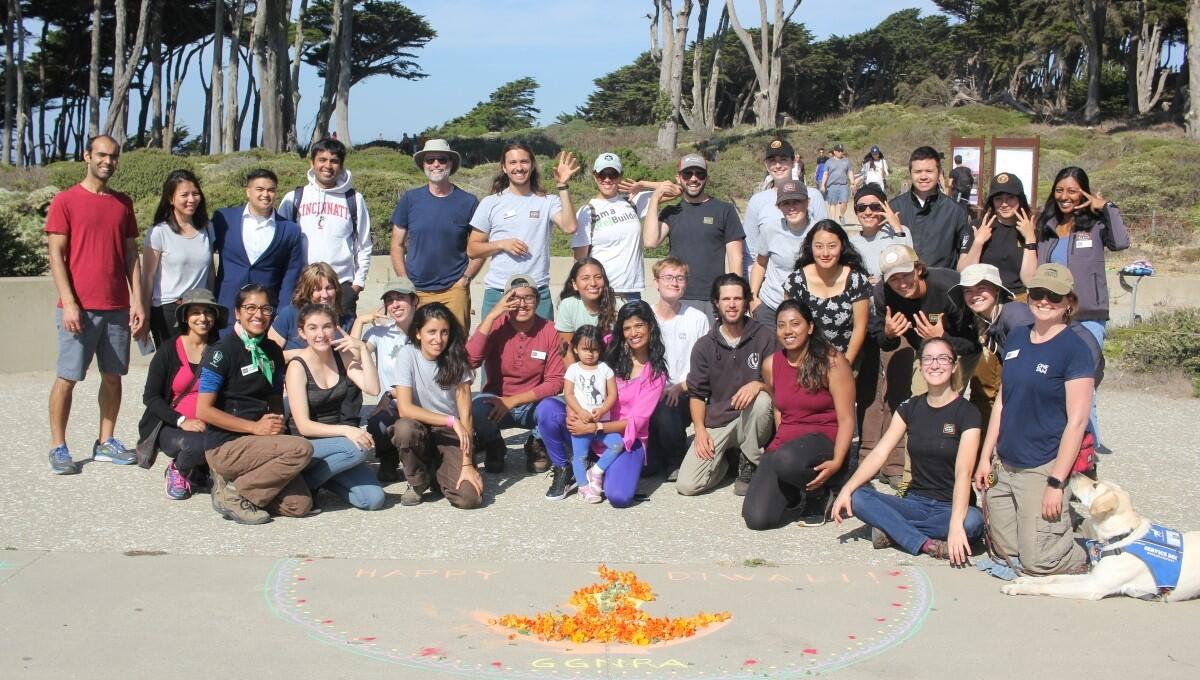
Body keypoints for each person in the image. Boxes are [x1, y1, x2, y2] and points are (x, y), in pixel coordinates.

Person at [974, 264, 1093, 577]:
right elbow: (1002, 401)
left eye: (1054, 296)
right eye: (1037, 293)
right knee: (1004, 554)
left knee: (1039, 562)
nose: (1044, 300)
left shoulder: (1075, 349)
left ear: (1069, 303)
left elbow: (1077, 422)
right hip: (1006, 460)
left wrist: (1056, 481)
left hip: (1042, 464)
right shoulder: (1016, 337)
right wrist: (986, 457)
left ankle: (1088, 551)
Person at [832, 337, 984, 564]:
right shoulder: (909, 407)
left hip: (950, 506)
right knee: (859, 497)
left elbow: (964, 472)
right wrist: (847, 488)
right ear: (920, 366)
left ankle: (893, 530)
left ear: (953, 366)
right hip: (914, 503)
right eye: (928, 359)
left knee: (973, 522)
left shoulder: (967, 413)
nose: (935, 365)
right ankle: (925, 543)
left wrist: (955, 526)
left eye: (943, 359)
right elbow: (879, 454)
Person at [45, 134, 146, 474]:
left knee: (113, 377)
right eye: (101, 155)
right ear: (87, 155)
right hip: (79, 308)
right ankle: (58, 446)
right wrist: (70, 302)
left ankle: (106, 441)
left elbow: (132, 254)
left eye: (114, 156)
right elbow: (56, 256)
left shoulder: (122, 203)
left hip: (116, 307)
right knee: (67, 378)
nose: (108, 161)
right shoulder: (65, 201)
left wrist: (138, 302)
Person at [1025, 167, 1131, 451]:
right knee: (1053, 380)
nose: (1065, 196)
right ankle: (1056, 447)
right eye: (1060, 190)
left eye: (1072, 190)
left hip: (1088, 316)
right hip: (1051, 314)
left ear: (1083, 191)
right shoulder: (1045, 227)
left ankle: (1087, 454)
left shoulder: (1095, 225)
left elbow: (1121, 242)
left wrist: (1106, 207)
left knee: (1085, 384)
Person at [862, 245, 980, 487]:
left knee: (951, 408)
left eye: (905, 274)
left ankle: (956, 471)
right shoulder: (884, 294)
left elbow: (973, 344)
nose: (901, 283)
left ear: (918, 268)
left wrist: (943, 338)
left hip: (960, 350)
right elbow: (883, 341)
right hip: (925, 350)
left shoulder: (949, 287)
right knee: (920, 405)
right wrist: (889, 333)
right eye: (893, 278)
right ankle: (911, 476)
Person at [196, 284, 314, 524]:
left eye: (265, 308)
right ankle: (233, 494)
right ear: (237, 312)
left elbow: (273, 398)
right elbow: (203, 410)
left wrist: (278, 426)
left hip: (260, 442)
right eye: (250, 308)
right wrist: (254, 428)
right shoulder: (222, 351)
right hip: (227, 444)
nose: (258, 315)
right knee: (301, 449)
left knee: (299, 505)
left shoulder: (271, 350)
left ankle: (237, 484)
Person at [742, 299, 856, 530]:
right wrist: (779, 440)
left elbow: (846, 419)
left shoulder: (833, 362)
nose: (788, 331)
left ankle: (825, 490)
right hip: (788, 447)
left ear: (810, 327)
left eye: (795, 324)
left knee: (786, 460)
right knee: (757, 519)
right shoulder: (771, 363)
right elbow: (778, 407)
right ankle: (796, 493)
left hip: (825, 440)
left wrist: (836, 462)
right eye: (781, 325)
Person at [548, 302, 670, 508]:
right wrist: (573, 410)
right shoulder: (607, 348)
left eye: (639, 325)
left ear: (650, 326)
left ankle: (597, 468)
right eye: (627, 328)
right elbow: (576, 355)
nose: (634, 333)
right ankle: (564, 467)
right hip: (585, 423)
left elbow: (635, 422)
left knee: (619, 497)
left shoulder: (656, 375)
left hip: (624, 439)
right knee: (548, 410)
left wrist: (595, 427)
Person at [676, 274, 778, 497]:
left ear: (747, 301)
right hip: (720, 421)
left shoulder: (765, 337)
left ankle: (748, 462)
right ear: (716, 302)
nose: (732, 305)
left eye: (738, 299)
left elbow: (779, 386)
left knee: (762, 401)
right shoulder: (704, 346)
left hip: (752, 419)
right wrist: (700, 431)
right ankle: (727, 460)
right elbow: (697, 394)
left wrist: (759, 384)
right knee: (687, 485)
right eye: (726, 299)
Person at [465, 274, 566, 484]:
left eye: (528, 298)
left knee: (555, 409)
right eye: (514, 298)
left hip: (532, 404)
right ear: (505, 301)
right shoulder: (496, 325)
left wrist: (514, 400)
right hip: (497, 403)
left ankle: (537, 444)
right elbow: (470, 361)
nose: (521, 304)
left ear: (537, 301)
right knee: (475, 408)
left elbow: (556, 381)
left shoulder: (549, 331)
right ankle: (493, 444)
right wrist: (492, 315)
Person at [284, 304, 385, 511]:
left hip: (337, 446)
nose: (320, 334)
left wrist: (363, 350)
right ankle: (309, 481)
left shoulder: (342, 356)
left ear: (335, 328)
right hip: (306, 444)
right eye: (313, 328)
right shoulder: (297, 366)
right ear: (302, 333)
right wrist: (348, 430)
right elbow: (303, 426)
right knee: (358, 448)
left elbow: (373, 388)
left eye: (326, 327)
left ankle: (320, 478)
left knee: (373, 500)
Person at [467, 143, 580, 321]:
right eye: (512, 162)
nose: (519, 167)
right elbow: (472, 249)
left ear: (532, 165)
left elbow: (570, 227)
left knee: (541, 349)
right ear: (504, 167)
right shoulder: (490, 203)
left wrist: (562, 186)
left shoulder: (548, 201)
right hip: (498, 292)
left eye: (524, 162)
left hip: (537, 292)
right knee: (493, 349)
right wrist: (502, 244)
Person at [389, 303, 482, 509]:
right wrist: (450, 420)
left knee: (469, 498)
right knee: (404, 428)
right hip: (420, 426)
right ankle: (417, 482)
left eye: (444, 332)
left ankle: (438, 471)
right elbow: (405, 408)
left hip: (450, 433)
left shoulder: (457, 357)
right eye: (431, 332)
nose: (438, 339)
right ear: (418, 333)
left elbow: (466, 416)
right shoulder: (407, 354)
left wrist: (467, 465)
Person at [138, 289, 224, 500]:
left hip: (212, 422)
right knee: (197, 445)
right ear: (185, 316)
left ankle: (200, 470)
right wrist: (181, 420)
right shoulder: (168, 350)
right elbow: (150, 397)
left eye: (208, 312)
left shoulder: (220, 349)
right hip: (173, 425)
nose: (202, 318)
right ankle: (179, 469)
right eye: (195, 312)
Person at [389, 139, 480, 328]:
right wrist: (404, 282)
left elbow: (480, 247)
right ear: (423, 164)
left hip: (454, 290)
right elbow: (397, 244)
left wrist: (465, 279)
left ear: (451, 163)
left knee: (456, 349)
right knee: (416, 346)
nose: (436, 164)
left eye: (442, 159)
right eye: (430, 160)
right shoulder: (410, 199)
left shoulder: (468, 202)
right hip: (416, 290)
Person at [644, 154, 744, 317]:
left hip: (713, 299)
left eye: (700, 174)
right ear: (678, 177)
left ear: (707, 178)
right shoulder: (672, 212)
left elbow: (736, 258)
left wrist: (737, 296)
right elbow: (650, 241)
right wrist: (655, 199)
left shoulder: (725, 210)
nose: (693, 178)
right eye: (687, 174)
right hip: (677, 297)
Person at [279, 137, 373, 311]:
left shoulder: (354, 199)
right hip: (302, 288)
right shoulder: (294, 198)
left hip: (341, 289)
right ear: (312, 163)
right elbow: (279, 245)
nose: (328, 166)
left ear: (341, 165)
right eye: (322, 160)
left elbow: (364, 246)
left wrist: (356, 286)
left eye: (334, 161)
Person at [572, 152, 670, 302]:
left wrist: (643, 184)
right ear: (594, 176)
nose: (607, 179)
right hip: (602, 293)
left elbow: (676, 190)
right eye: (602, 175)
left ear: (620, 176)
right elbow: (580, 261)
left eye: (613, 174)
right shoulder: (586, 211)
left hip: (632, 292)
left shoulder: (632, 202)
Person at [648, 258, 711, 481]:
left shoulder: (697, 319)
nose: (674, 282)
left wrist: (679, 387)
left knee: (667, 405)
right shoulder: (646, 317)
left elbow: (704, 367)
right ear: (656, 282)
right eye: (668, 277)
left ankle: (677, 458)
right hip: (648, 393)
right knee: (649, 468)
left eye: (679, 278)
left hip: (685, 392)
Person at [211, 169, 305, 315]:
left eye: (271, 190)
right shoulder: (223, 219)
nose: (266, 195)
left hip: (265, 314)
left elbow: (291, 275)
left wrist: (281, 314)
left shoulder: (290, 230)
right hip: (226, 309)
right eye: (260, 189)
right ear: (248, 191)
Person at [782, 219, 872, 365]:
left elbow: (860, 327)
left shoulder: (856, 281)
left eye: (832, 246)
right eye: (819, 246)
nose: (825, 253)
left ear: (842, 246)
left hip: (845, 360)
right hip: (805, 362)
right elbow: (790, 325)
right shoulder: (796, 282)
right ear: (811, 247)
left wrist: (845, 366)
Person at [142, 169, 214, 346]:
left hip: (200, 308)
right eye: (184, 195)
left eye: (195, 193)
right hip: (168, 309)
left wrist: (212, 303)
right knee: (173, 367)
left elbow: (211, 270)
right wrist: (145, 314)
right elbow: (148, 277)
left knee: (201, 365)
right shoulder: (159, 232)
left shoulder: (207, 228)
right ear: (170, 199)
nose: (191, 199)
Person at [742, 139, 829, 277]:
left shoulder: (814, 196)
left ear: (793, 161)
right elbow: (751, 251)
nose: (778, 165)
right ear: (766, 164)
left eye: (783, 159)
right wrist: (751, 290)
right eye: (772, 161)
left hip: (811, 281)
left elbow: (827, 239)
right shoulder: (757, 202)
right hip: (770, 288)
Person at [360, 277, 418, 482]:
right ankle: (388, 458)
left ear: (414, 301)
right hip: (390, 402)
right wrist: (360, 321)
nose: (395, 304)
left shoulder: (425, 331)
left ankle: (419, 464)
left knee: (409, 428)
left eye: (400, 298)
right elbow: (354, 354)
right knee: (377, 423)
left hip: (419, 400)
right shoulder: (379, 333)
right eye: (390, 300)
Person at [561, 325, 619, 502]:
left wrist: (602, 410)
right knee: (580, 456)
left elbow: (613, 394)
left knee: (617, 444)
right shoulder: (573, 370)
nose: (590, 354)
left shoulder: (605, 369)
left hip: (601, 425)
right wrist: (580, 412)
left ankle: (596, 471)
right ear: (576, 349)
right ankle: (583, 487)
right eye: (585, 349)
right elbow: (568, 394)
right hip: (581, 423)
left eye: (594, 349)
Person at [957, 173, 1038, 297]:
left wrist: (1030, 239)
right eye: (998, 199)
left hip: (1017, 299)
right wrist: (978, 242)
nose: (1004, 204)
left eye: (1010, 197)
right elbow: (963, 272)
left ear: (1020, 199)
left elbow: (1030, 281)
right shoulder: (977, 226)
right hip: (983, 297)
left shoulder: (1030, 229)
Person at [889, 146, 970, 269]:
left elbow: (963, 254)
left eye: (929, 171)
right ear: (910, 172)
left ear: (939, 172)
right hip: (903, 284)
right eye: (918, 172)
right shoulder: (894, 206)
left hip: (942, 284)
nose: (923, 177)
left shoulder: (955, 211)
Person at [749, 180, 810, 327]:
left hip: (808, 308)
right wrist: (753, 298)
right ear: (779, 207)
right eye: (786, 203)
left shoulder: (820, 231)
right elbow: (760, 263)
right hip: (771, 308)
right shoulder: (769, 230)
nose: (792, 208)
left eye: (797, 201)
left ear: (807, 202)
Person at [270, 262, 356, 355]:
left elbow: (355, 358)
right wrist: (302, 355)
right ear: (307, 291)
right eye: (318, 289)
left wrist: (360, 321)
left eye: (329, 288)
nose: (325, 295)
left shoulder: (347, 319)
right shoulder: (289, 314)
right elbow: (268, 357)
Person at [555, 257, 622, 364]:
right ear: (574, 284)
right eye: (585, 278)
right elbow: (566, 350)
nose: (593, 283)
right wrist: (577, 377)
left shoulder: (619, 305)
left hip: (613, 366)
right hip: (578, 368)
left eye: (598, 277)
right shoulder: (568, 305)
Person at [848, 184, 913, 284]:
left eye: (875, 207)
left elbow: (909, 264)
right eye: (861, 208)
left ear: (884, 209)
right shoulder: (851, 244)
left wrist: (897, 229)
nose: (868, 212)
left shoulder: (901, 231)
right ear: (856, 211)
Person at [819, 143, 854, 224]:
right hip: (832, 185)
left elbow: (850, 171)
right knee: (832, 203)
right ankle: (833, 221)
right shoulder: (829, 162)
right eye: (838, 151)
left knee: (844, 202)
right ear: (834, 151)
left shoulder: (846, 161)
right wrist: (823, 185)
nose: (840, 152)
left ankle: (841, 216)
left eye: (842, 151)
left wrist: (852, 182)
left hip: (843, 185)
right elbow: (825, 173)